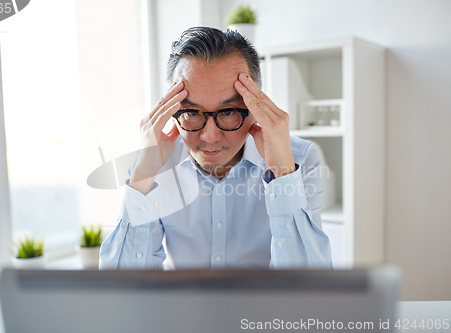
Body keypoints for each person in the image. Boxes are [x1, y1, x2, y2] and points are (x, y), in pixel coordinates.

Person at [99, 27, 332, 270]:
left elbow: (309, 291)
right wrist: (143, 179)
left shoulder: (301, 159)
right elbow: (121, 288)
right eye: (190, 112)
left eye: (229, 112)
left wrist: (282, 175)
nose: (209, 136)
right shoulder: (155, 161)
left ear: (256, 107)